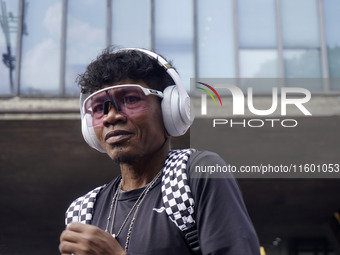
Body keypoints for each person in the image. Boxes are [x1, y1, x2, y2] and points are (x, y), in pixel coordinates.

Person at [59, 47, 260, 255]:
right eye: (100, 107)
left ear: (170, 109)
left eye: (130, 99)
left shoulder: (197, 174)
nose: (111, 117)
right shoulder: (83, 212)